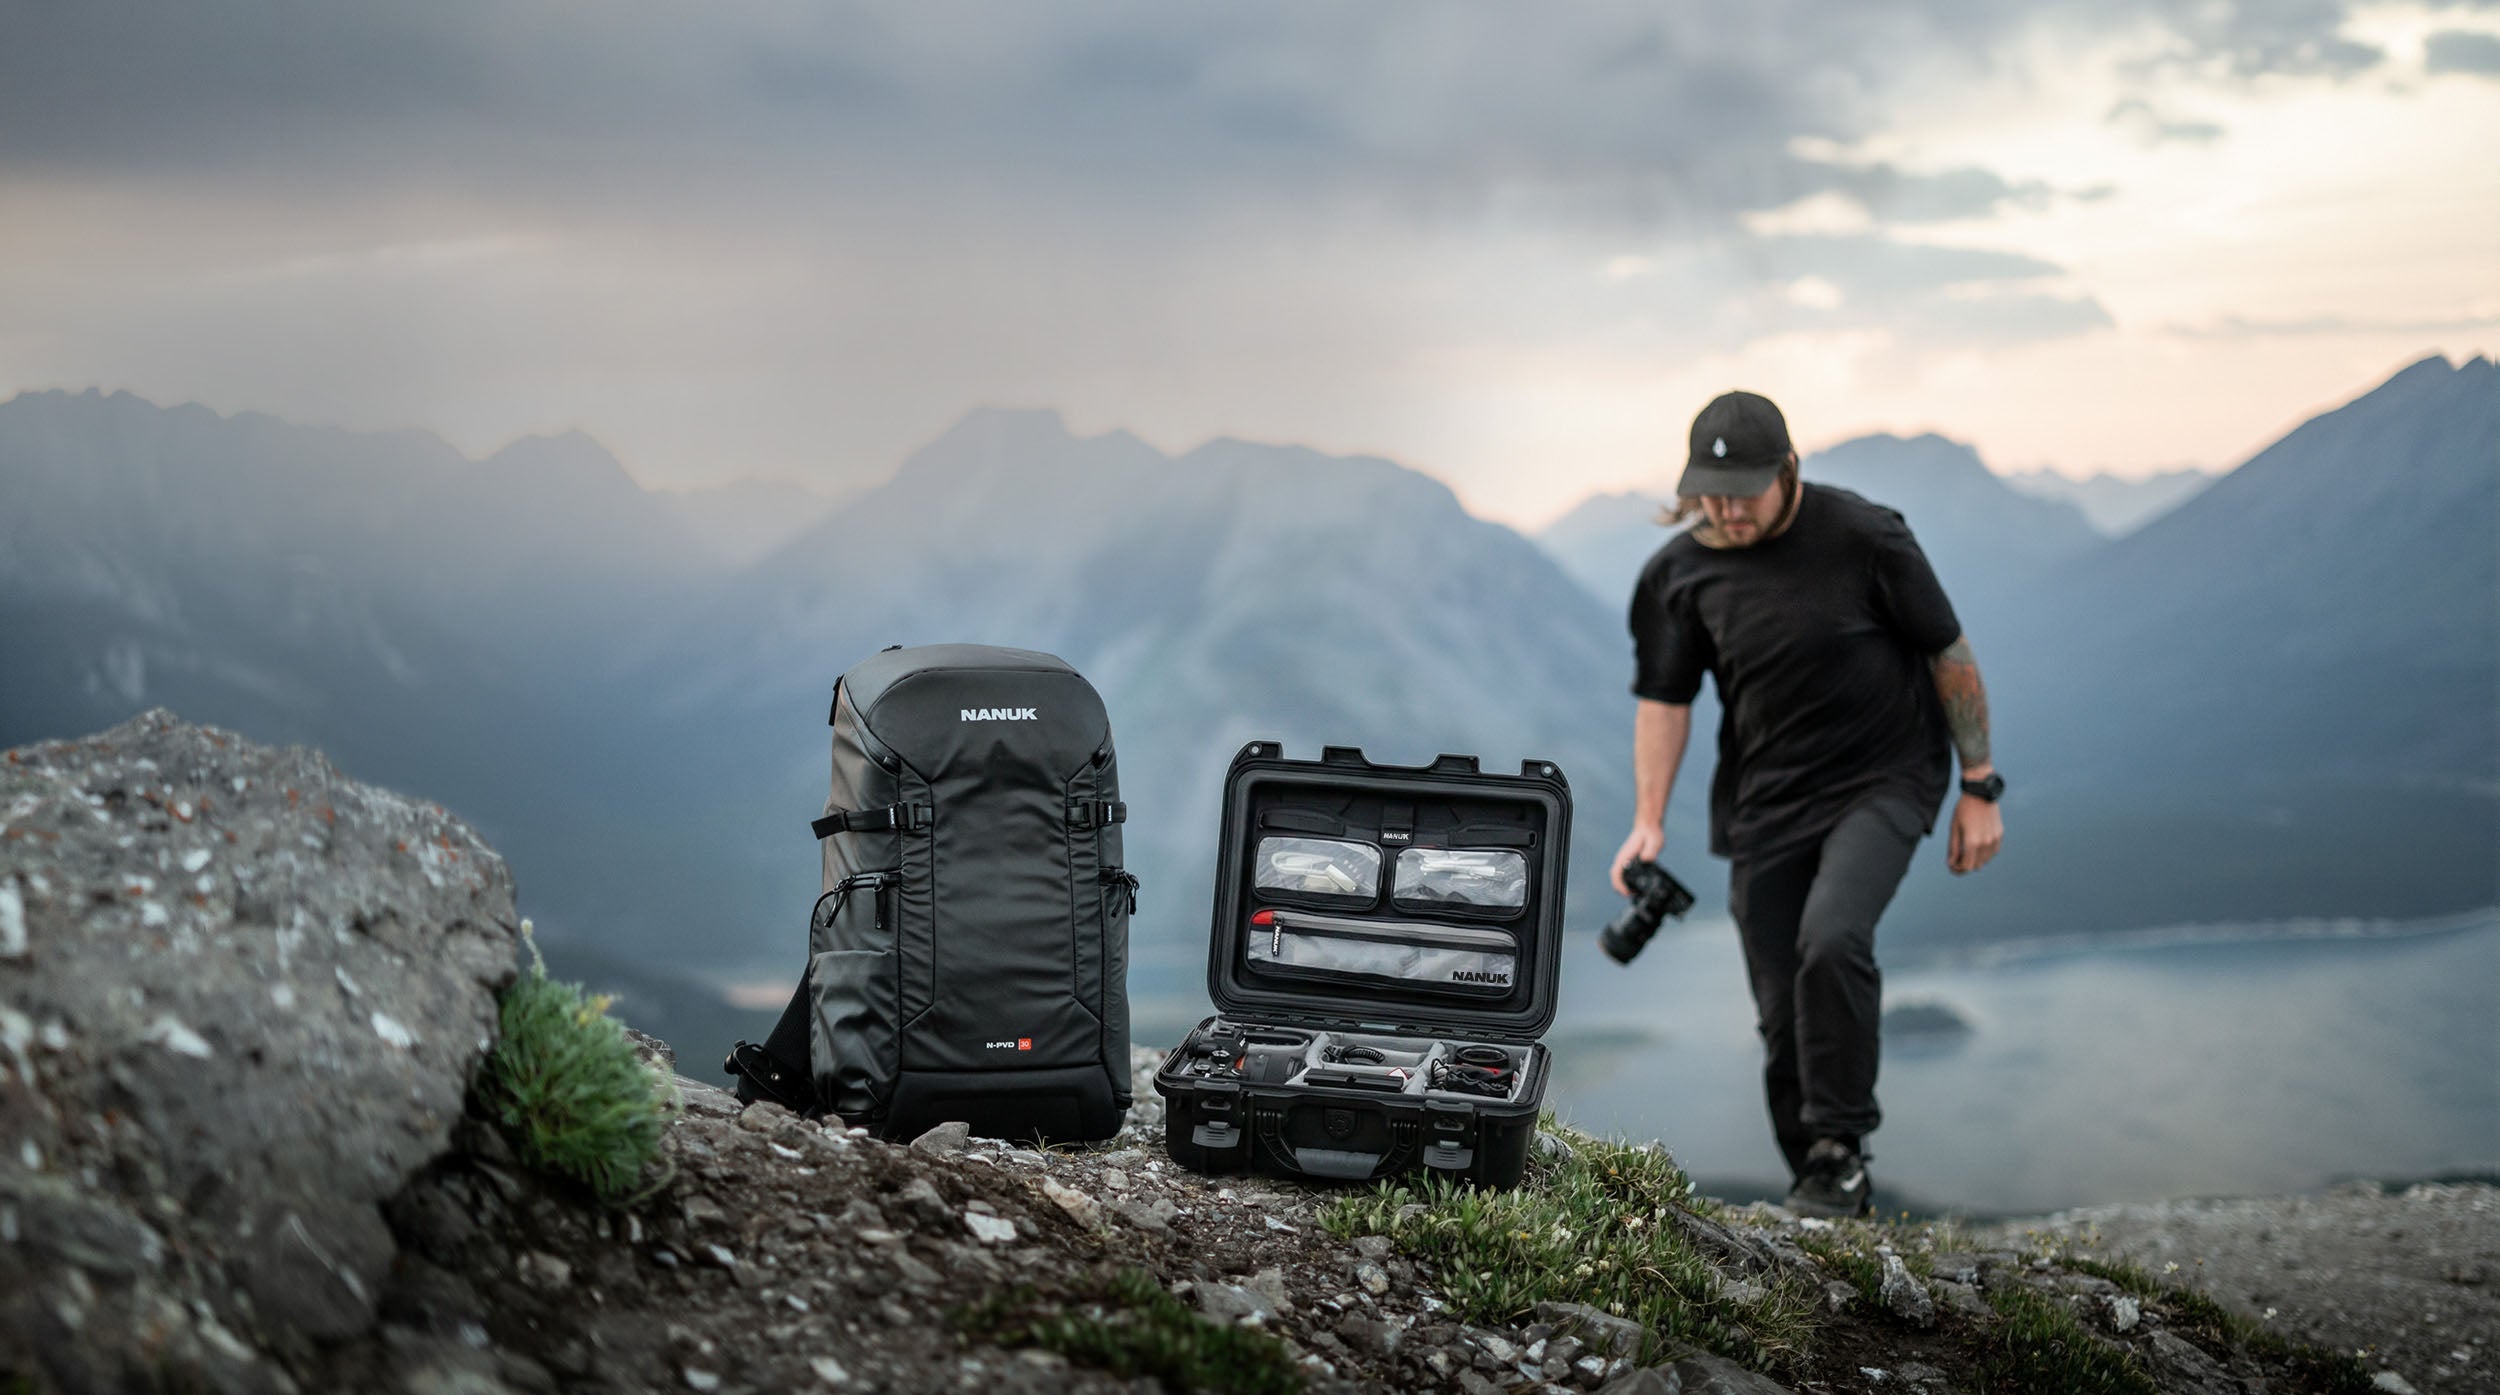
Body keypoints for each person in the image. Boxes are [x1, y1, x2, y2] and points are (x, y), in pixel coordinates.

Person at [1611, 389, 2004, 1217]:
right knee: (1781, 1011)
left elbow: (1949, 653)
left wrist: (1980, 784)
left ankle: (1839, 1146)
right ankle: (1820, 1184)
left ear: (1789, 470)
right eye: (1710, 494)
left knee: (1831, 940)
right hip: (1766, 805)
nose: (1726, 509)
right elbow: (1664, 702)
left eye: (1744, 491)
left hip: (1884, 778)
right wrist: (1648, 820)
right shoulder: (1678, 575)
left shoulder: (1867, 537)